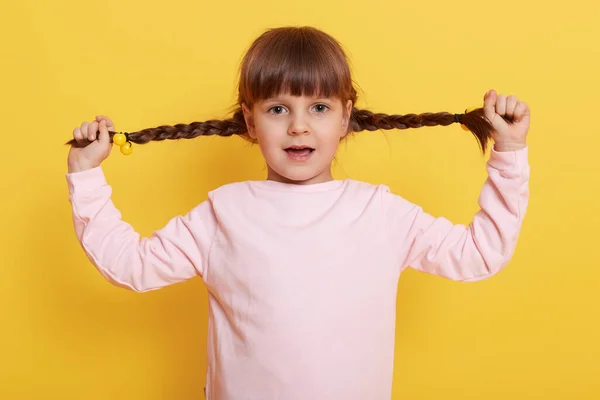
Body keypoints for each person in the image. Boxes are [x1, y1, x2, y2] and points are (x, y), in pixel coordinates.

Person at [65, 26, 531, 400]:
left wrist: (509, 152)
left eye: (320, 107)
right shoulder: (222, 214)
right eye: (278, 108)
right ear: (250, 120)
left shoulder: (380, 212)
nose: (299, 125)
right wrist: (86, 178)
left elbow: (480, 254)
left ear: (345, 117)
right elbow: (132, 266)